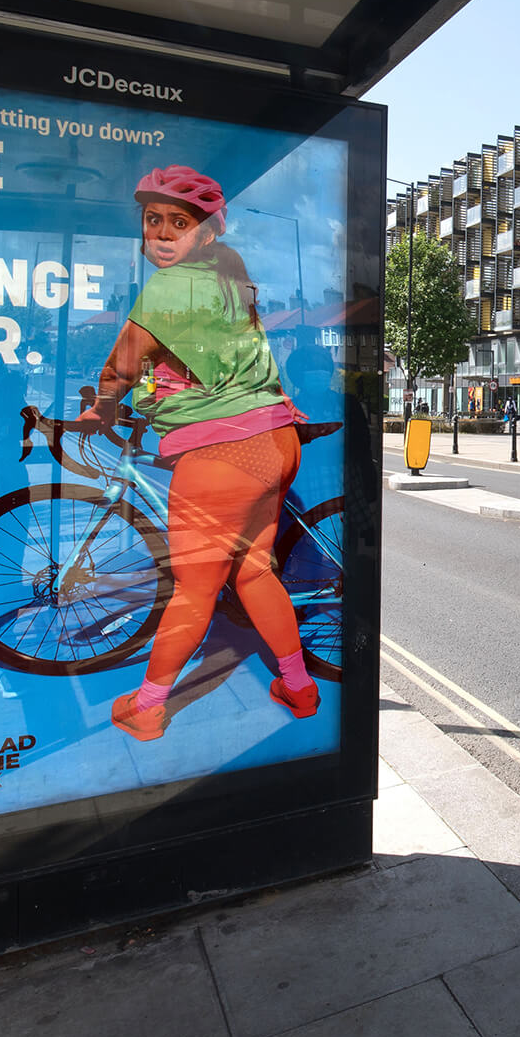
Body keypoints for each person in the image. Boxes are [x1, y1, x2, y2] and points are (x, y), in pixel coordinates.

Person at [77, 165, 318, 742]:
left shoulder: (168, 288)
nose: (160, 233)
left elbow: (122, 363)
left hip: (224, 455)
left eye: (177, 223)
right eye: (152, 220)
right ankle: (298, 686)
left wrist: (100, 408)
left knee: (194, 588)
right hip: (275, 441)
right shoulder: (231, 282)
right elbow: (246, 356)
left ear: (206, 232)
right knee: (255, 571)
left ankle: (150, 706)